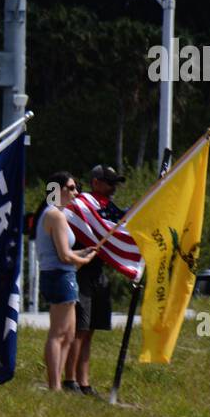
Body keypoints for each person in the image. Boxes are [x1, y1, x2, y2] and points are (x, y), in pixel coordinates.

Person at [64, 164, 126, 395]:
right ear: (96, 182)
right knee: (80, 328)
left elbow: (123, 219)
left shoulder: (108, 206)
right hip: (82, 271)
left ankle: (85, 382)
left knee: (90, 331)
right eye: (110, 182)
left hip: (99, 272)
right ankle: (69, 380)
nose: (113, 187)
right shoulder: (84, 204)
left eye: (115, 183)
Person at [33, 172, 97, 391]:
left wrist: (82, 252)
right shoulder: (55, 216)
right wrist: (85, 258)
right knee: (58, 333)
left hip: (62, 275)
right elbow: (64, 256)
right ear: (57, 190)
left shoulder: (54, 214)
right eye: (70, 188)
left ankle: (57, 382)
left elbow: (66, 252)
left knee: (68, 334)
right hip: (59, 277)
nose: (75, 192)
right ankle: (54, 385)